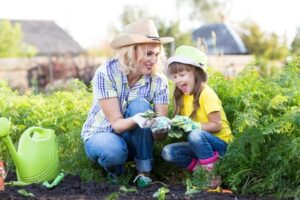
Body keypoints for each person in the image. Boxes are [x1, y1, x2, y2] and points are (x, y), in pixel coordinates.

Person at [81, 19, 174, 188]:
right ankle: (117, 172)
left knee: (140, 105)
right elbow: (116, 124)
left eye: (156, 54)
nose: (154, 60)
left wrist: (161, 128)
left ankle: (143, 172)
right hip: (101, 134)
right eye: (148, 54)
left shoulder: (159, 80)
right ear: (132, 51)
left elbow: (159, 131)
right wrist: (138, 119)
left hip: (132, 139)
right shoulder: (107, 73)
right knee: (113, 151)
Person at [162, 45, 233, 188]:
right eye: (174, 77)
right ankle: (204, 169)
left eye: (182, 75)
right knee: (168, 152)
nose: (178, 80)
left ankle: (211, 177)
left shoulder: (206, 94)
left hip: (221, 145)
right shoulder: (182, 96)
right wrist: (170, 125)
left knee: (195, 135)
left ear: (196, 73)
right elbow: (186, 127)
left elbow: (216, 125)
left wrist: (194, 125)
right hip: (201, 144)